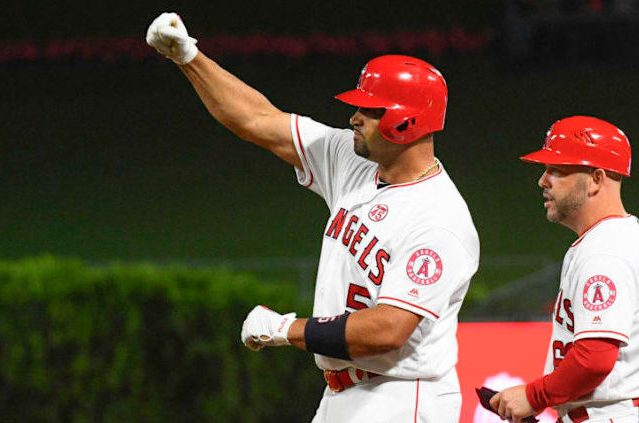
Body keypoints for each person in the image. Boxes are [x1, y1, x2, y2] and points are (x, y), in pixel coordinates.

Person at [145, 12, 480, 423]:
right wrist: (189, 57)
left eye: (370, 110)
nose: (354, 118)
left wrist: (288, 329)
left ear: (405, 122)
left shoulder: (439, 220)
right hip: (344, 395)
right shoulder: (351, 160)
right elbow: (258, 121)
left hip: (400, 397)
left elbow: (388, 329)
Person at [491, 116, 639, 423]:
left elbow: (594, 359)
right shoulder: (629, 234)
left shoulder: (607, 249)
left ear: (596, 179)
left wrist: (533, 396)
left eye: (557, 170)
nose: (543, 180)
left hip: (610, 414)